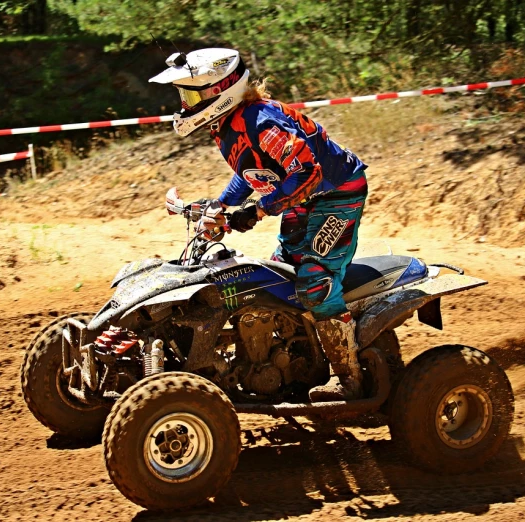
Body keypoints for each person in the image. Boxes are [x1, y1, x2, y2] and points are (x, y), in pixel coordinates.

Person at [150, 48, 368, 402]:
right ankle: (297, 363)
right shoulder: (227, 126)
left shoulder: (261, 122)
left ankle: (349, 379)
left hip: (336, 192)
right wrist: (220, 205)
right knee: (278, 279)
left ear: (221, 90)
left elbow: (308, 172)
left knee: (314, 281)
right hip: (304, 198)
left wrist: (259, 211)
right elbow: (251, 174)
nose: (186, 103)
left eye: (192, 94)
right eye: (184, 95)